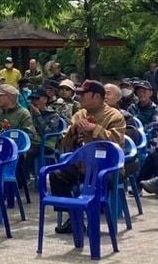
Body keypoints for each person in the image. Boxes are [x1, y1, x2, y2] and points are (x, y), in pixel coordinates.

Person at [48, 80, 128, 234]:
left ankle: (87, 218)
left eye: (84, 95)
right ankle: (74, 214)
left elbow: (116, 142)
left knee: (96, 182)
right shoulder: (80, 114)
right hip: (82, 164)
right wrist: (73, 131)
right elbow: (64, 142)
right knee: (56, 175)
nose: (80, 98)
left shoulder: (114, 116)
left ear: (97, 96)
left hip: (107, 167)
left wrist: (95, 129)